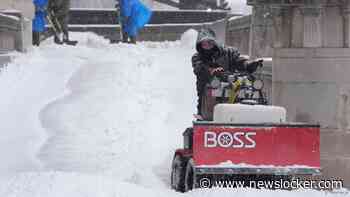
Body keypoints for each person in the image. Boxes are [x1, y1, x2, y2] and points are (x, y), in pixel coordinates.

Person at [192, 28, 261, 118]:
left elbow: (240, 62)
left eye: (210, 42)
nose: (207, 46)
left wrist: (249, 65)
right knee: (208, 113)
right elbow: (200, 69)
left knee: (251, 89)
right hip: (208, 96)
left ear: (214, 41)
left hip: (233, 88)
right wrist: (213, 71)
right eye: (204, 43)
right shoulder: (197, 57)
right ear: (199, 45)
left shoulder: (229, 52)